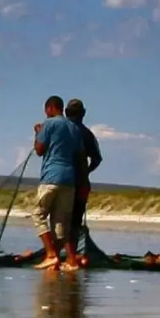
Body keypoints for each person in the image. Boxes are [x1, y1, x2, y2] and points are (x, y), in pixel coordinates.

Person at [34, 95, 84, 272]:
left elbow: (39, 150)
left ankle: (51, 254)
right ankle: (57, 261)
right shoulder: (74, 128)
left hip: (51, 177)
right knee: (60, 223)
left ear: (50, 108)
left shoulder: (49, 123)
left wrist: (38, 133)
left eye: (46, 110)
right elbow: (79, 155)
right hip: (69, 180)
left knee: (38, 215)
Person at [66, 98, 102, 257]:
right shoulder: (87, 134)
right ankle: (71, 255)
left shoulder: (62, 131)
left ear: (66, 113)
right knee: (75, 222)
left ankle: (54, 254)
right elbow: (96, 159)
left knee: (59, 220)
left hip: (63, 182)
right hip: (81, 184)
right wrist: (85, 172)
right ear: (83, 114)